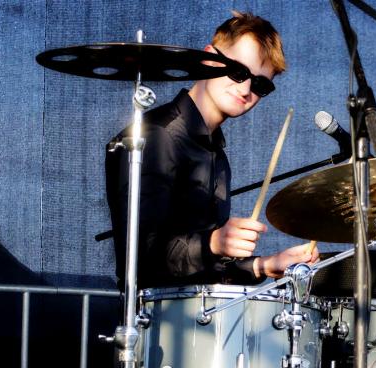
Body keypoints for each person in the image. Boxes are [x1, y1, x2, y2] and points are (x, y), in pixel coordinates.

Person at [105, 11, 317, 289]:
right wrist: (213, 242)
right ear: (208, 58)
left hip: (201, 310)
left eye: (260, 84)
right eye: (238, 71)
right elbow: (141, 259)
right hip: (154, 314)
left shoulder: (216, 151)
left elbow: (202, 268)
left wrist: (262, 265)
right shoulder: (156, 136)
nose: (246, 89)